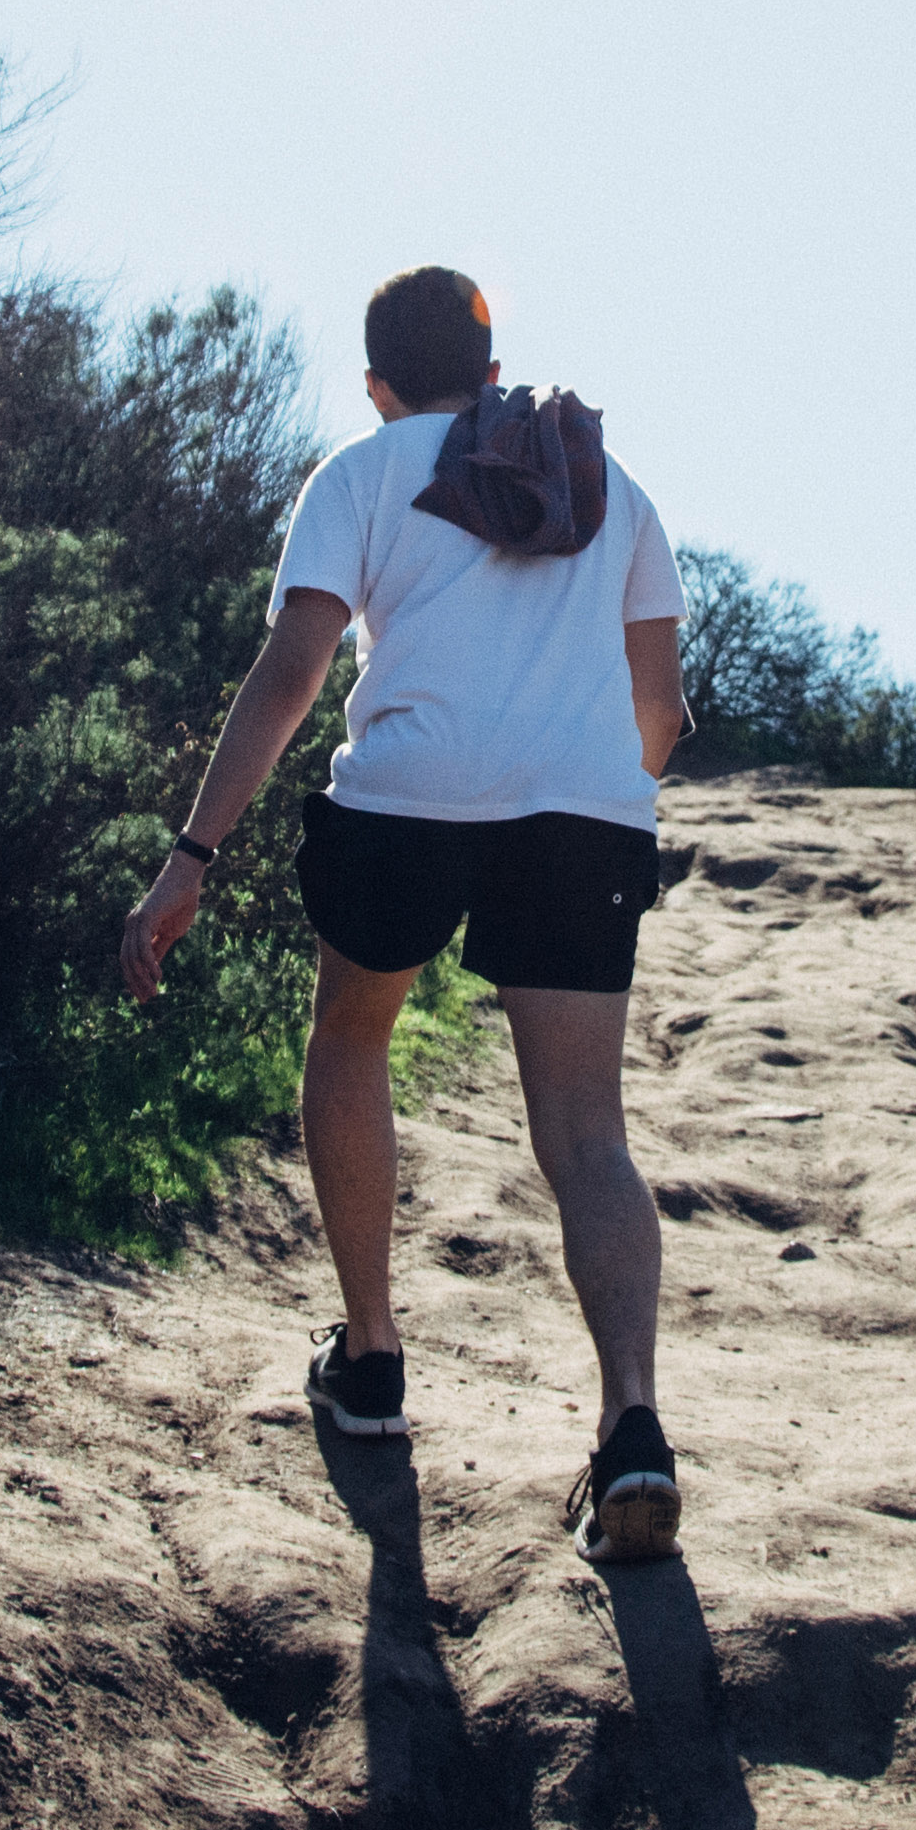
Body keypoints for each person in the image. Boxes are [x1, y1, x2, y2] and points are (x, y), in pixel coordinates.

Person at [118, 265, 697, 1565]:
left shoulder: (363, 473)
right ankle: (634, 1433)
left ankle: (371, 1363)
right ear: (492, 368)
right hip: (581, 821)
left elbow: (292, 674)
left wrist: (190, 855)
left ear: (378, 382)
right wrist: (591, 790)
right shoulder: (614, 486)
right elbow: (656, 708)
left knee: (355, 1037)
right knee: (587, 1134)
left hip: (406, 807)